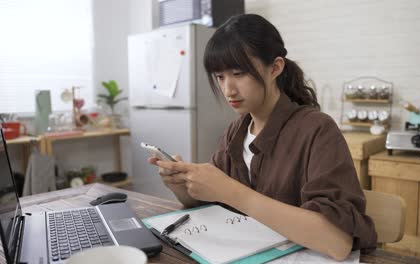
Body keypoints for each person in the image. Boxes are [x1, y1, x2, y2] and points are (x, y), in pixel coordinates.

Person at [148, 14, 377, 261]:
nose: (228, 90)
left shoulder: (317, 130)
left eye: (238, 73)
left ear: (275, 68)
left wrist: (231, 192)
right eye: (220, 77)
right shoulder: (235, 132)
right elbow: (213, 202)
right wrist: (182, 188)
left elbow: (337, 241)